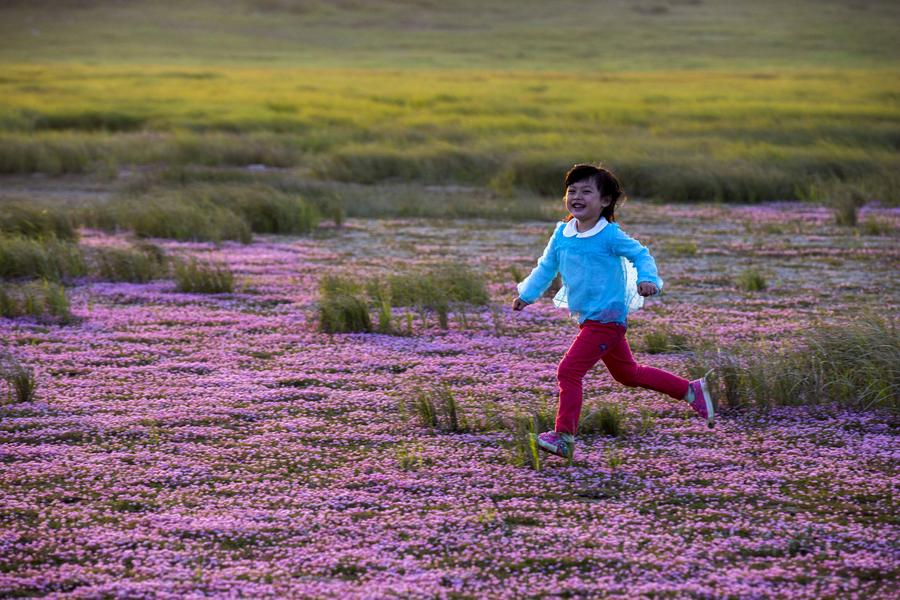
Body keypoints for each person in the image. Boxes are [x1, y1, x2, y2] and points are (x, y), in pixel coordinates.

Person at [513, 163, 714, 461]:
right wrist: (526, 294)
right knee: (627, 374)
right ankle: (690, 390)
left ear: (605, 201)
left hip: (606, 319)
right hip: (590, 318)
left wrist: (648, 279)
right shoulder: (562, 234)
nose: (577, 196)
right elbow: (546, 267)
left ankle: (564, 437)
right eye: (572, 191)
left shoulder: (609, 235)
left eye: (586, 191)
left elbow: (640, 253)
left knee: (568, 371)